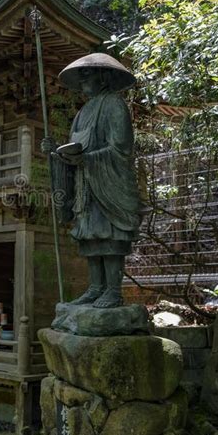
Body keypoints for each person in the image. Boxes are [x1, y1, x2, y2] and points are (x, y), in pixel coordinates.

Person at [42, 53, 141, 309]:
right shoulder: (82, 112)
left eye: (89, 74)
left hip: (107, 181)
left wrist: (86, 160)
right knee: (90, 235)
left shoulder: (114, 105)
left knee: (109, 236)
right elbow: (74, 149)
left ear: (104, 76)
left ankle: (112, 290)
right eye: (82, 76)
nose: (84, 80)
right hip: (86, 182)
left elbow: (121, 149)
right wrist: (55, 153)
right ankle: (96, 287)